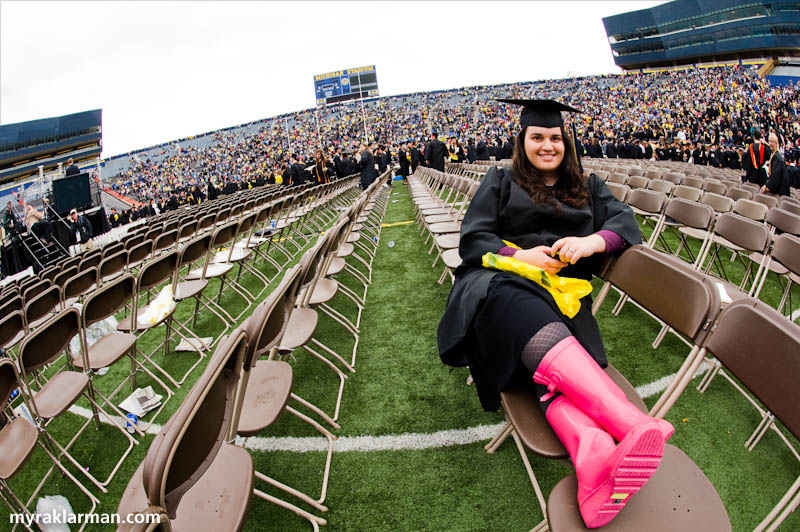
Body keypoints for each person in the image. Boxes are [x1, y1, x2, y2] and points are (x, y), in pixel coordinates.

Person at [437, 99, 672, 528]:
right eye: (538, 137)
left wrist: (591, 242)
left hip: (560, 298)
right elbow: (473, 240)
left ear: (568, 141)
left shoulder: (589, 186)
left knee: (545, 365)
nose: (548, 145)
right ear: (522, 141)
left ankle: (592, 457)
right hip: (499, 288)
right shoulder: (502, 180)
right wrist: (520, 255)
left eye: (555, 138)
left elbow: (625, 224)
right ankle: (628, 421)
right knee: (519, 309)